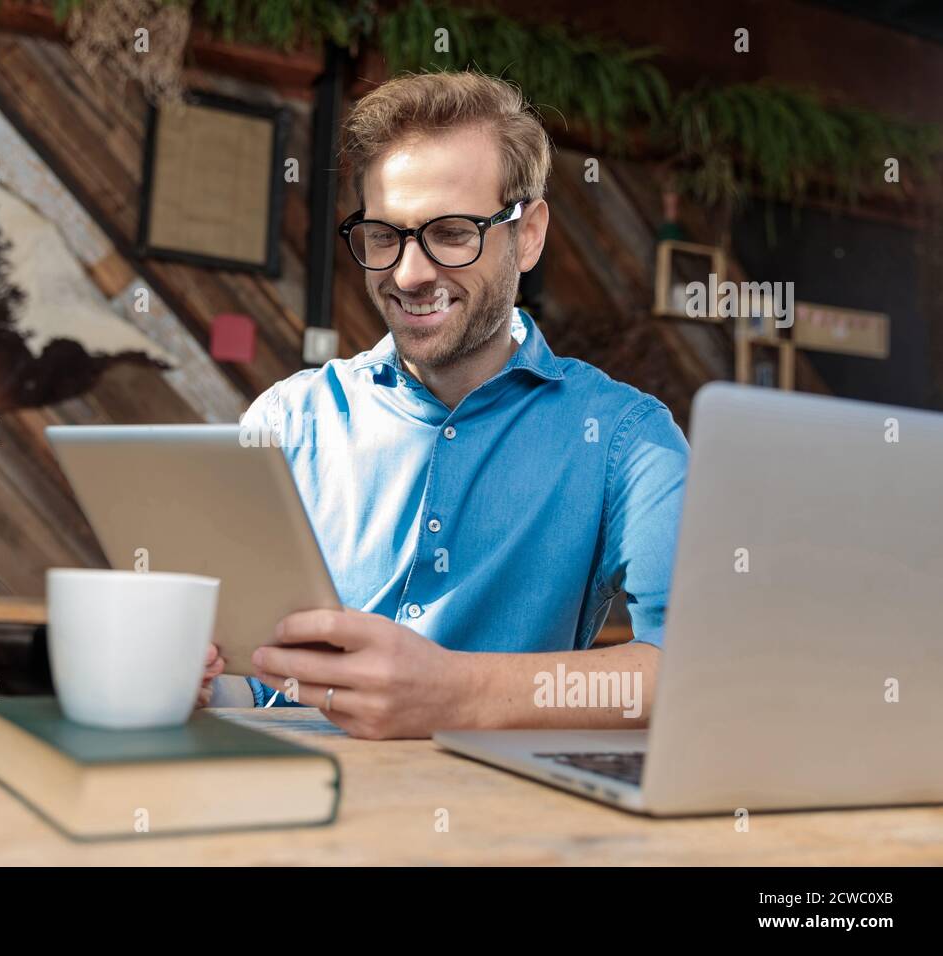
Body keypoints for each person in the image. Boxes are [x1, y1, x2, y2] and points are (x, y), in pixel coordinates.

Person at [199, 70, 688, 740]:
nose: (408, 274)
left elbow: (693, 668)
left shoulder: (627, 441)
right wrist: (199, 683)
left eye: (452, 232)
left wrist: (463, 696)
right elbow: (251, 681)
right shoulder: (286, 422)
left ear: (531, 233)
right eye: (383, 235)